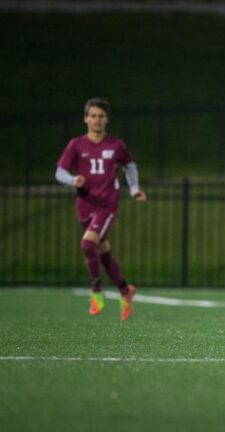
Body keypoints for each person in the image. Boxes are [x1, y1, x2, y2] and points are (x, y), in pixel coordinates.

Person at [55, 97, 146, 320]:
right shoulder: (76, 144)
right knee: (103, 253)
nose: (97, 120)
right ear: (86, 119)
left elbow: (130, 165)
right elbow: (59, 172)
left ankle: (96, 291)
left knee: (87, 244)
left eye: (101, 116)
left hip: (107, 204)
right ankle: (125, 290)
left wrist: (135, 189)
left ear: (107, 119)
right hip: (85, 204)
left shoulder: (115, 145)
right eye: (93, 116)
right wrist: (72, 179)